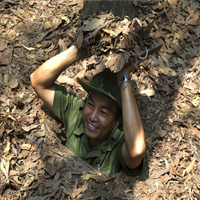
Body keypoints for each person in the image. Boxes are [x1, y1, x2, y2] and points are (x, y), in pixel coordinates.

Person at [30, 45, 146, 176]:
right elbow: (37, 81)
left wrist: (124, 76)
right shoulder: (76, 112)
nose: (93, 117)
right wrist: (79, 49)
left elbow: (137, 150)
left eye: (103, 112)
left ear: (118, 121)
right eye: (90, 104)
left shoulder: (118, 144)